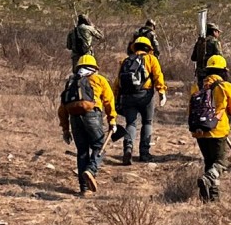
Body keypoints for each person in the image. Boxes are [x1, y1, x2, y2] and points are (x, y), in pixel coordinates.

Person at [58, 54, 117, 195]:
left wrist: (66, 130)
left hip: (74, 117)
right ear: (95, 68)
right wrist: (112, 120)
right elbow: (109, 101)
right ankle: (91, 170)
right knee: (98, 146)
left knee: (82, 151)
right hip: (92, 115)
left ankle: (84, 188)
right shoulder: (99, 79)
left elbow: (62, 108)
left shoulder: (71, 82)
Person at [189, 55, 231, 202]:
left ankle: (211, 198)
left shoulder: (197, 86)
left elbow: (191, 109)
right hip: (217, 130)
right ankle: (207, 180)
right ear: (223, 70)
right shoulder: (225, 86)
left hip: (199, 131)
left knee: (209, 162)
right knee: (221, 163)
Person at [114, 36, 167, 164]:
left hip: (128, 96)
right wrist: (162, 92)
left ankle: (128, 148)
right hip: (145, 96)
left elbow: (118, 82)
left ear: (134, 47)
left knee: (131, 123)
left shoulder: (126, 61)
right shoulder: (151, 59)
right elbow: (158, 76)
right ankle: (144, 153)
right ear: (148, 48)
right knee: (147, 123)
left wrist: (116, 99)